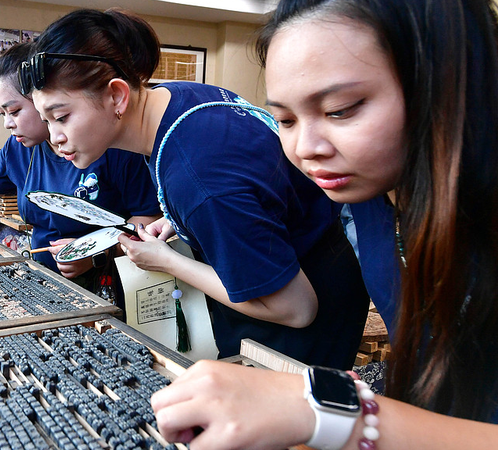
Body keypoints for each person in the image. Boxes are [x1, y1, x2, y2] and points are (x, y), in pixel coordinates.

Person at [151, 1, 498, 448]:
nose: (305, 148)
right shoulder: (370, 190)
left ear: (446, 84)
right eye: (285, 120)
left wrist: (330, 411)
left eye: (341, 109)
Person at [26, 8, 370, 369]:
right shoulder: (175, 98)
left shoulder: (197, 178)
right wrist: (178, 219)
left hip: (300, 307)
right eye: (46, 119)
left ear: (117, 96)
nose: (54, 138)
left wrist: (169, 261)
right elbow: (251, 187)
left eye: (61, 116)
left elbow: (296, 309)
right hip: (307, 252)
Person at [0, 43, 161, 295]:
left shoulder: (110, 146)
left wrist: (94, 255)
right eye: (1, 114)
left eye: (13, 111)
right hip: (47, 281)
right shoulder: (20, 148)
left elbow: (146, 223)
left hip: (110, 283)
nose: (7, 124)